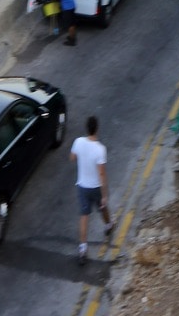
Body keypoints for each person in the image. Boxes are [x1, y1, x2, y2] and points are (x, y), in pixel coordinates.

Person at [69, 113, 112, 264]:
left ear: (87, 128)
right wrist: (104, 195)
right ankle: (108, 225)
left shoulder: (78, 142)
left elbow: (72, 158)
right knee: (103, 207)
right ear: (97, 129)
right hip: (95, 188)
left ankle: (82, 248)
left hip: (82, 186)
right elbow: (102, 173)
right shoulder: (100, 149)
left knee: (84, 216)